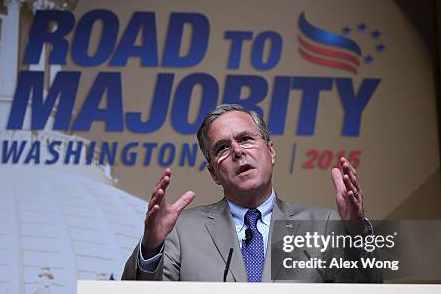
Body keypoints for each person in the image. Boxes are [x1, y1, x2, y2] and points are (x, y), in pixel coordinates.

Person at [122, 104, 373, 282]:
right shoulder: (181, 231)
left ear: (271, 152)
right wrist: (151, 247)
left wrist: (356, 233)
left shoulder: (324, 226)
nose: (237, 151)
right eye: (222, 147)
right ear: (213, 173)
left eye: (245, 139)